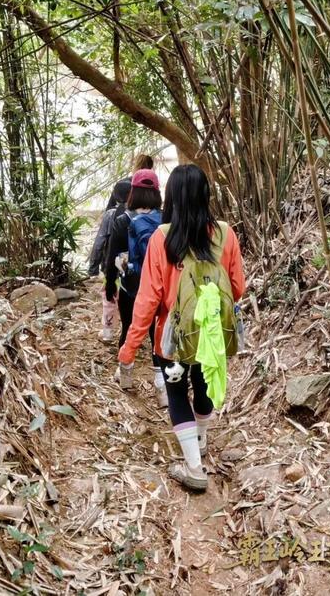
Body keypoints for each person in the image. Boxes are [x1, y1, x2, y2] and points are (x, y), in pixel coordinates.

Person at [117, 165, 245, 492]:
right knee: (203, 386)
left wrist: (129, 350)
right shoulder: (226, 234)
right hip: (212, 332)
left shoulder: (162, 238)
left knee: (177, 392)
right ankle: (200, 441)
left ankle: (193, 466)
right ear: (206, 195)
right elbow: (238, 288)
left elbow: (147, 300)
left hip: (171, 338)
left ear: (170, 196)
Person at [105, 169, 167, 406]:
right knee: (157, 335)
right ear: (156, 192)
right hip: (160, 287)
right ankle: (161, 388)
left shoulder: (123, 221)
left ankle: (125, 376)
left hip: (132, 286)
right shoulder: (166, 220)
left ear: (133, 192)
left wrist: (111, 283)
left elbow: (114, 257)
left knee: (129, 329)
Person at [88, 179, 131, 343]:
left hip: (112, 264)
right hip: (132, 265)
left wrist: (93, 267)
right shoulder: (139, 214)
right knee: (130, 298)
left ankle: (107, 332)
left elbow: (100, 242)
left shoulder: (110, 214)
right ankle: (131, 334)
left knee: (109, 298)